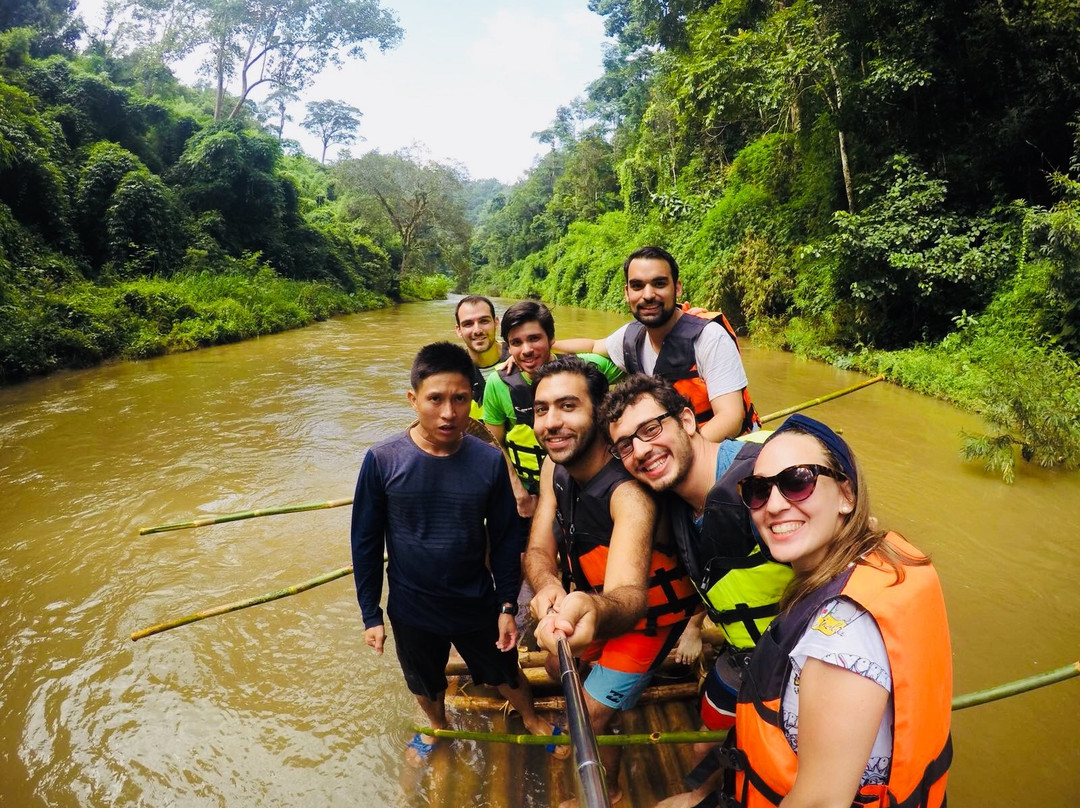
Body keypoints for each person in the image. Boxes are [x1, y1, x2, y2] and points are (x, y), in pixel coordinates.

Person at [349, 342, 566, 767]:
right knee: (423, 679)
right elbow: (366, 542)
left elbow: (505, 539)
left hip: (475, 600)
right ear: (413, 399)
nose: (449, 413)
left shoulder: (487, 461)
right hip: (412, 605)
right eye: (435, 399)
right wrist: (371, 614)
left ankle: (530, 717)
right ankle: (436, 725)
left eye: (460, 399)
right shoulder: (382, 460)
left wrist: (507, 605)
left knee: (505, 670)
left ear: (472, 399)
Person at [731, 414, 952, 807]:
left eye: (798, 481)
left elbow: (820, 802)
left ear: (846, 495)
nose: (774, 505)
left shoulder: (843, 634)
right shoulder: (877, 561)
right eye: (758, 490)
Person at [599, 374, 793, 808]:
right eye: (625, 445)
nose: (641, 450)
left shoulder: (766, 476)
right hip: (746, 654)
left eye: (651, 429)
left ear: (687, 421)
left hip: (806, 663)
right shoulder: (674, 502)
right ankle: (702, 793)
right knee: (706, 742)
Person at [525, 357, 698, 807]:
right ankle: (612, 703)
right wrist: (547, 586)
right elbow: (539, 549)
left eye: (568, 406)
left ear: (600, 414)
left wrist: (585, 606)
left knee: (589, 712)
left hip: (648, 618)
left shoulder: (629, 493)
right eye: (542, 409)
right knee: (554, 666)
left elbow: (629, 598)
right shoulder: (554, 468)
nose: (551, 422)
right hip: (594, 603)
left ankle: (613, 791)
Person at [555, 246, 759, 441]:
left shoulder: (709, 337)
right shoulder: (630, 337)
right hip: (669, 443)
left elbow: (730, 418)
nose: (648, 295)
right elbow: (593, 346)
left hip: (721, 448)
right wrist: (549, 344)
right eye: (637, 286)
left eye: (659, 284)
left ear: (677, 288)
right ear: (627, 292)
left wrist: (679, 452)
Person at [482, 300, 623, 521]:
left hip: (583, 487)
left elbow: (638, 356)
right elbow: (494, 444)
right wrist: (520, 494)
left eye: (534, 339)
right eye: (516, 343)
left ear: (551, 339)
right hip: (530, 491)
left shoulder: (585, 370)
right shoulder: (498, 383)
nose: (526, 350)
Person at [454, 295, 508, 420]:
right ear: (458, 330)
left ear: (496, 322)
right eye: (468, 324)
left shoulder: (522, 357)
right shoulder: (453, 371)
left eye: (484, 321)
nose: (477, 330)